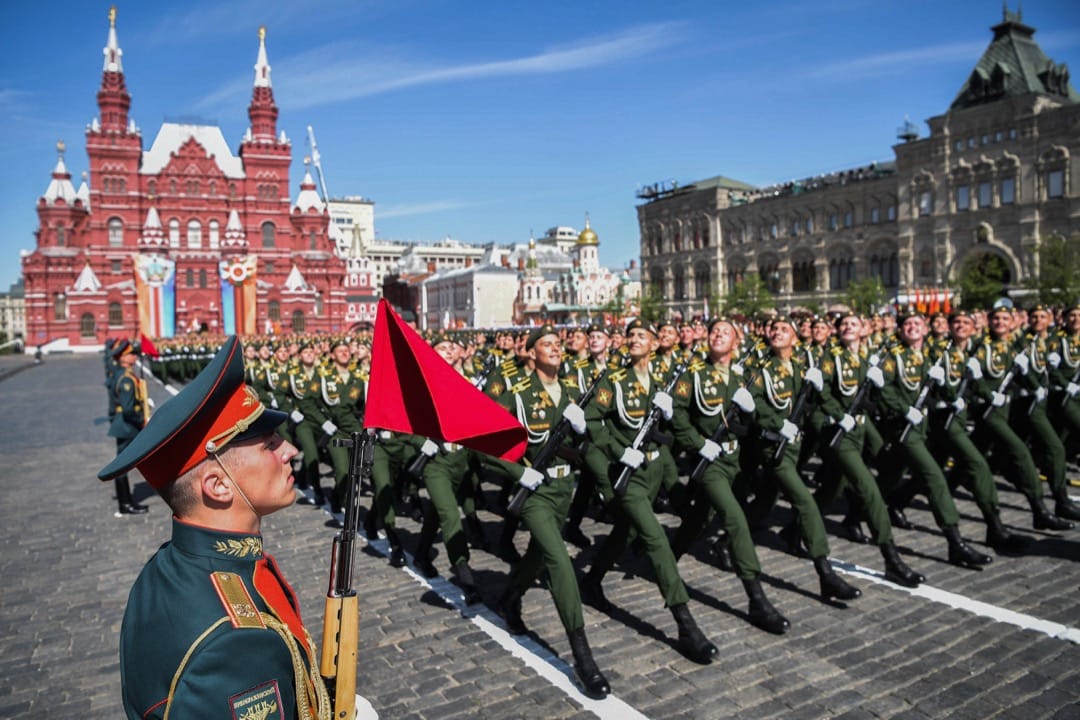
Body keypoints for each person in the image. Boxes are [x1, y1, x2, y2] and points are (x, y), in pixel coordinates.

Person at [99, 337, 332, 719]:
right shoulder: (235, 642)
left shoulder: (165, 568)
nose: (290, 451)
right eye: (269, 444)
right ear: (218, 486)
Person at [581, 319, 719, 665]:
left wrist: (670, 414)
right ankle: (685, 623)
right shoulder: (615, 381)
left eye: (641, 336)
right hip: (628, 473)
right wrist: (615, 449)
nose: (633, 340)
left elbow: (675, 423)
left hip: (655, 469)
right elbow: (590, 419)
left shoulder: (661, 381)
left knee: (625, 532)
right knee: (656, 539)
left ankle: (593, 578)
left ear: (656, 344)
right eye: (630, 335)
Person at [487, 324, 611, 698]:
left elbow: (598, 441)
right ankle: (583, 656)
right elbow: (487, 443)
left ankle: (511, 595)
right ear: (530, 353)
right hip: (535, 491)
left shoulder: (575, 392)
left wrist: (586, 426)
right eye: (546, 344)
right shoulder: (519, 395)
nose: (556, 347)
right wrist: (517, 471)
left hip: (563, 489)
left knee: (539, 554)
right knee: (559, 560)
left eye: (558, 343)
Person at [105, 339, 149, 515]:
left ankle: (127, 501)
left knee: (124, 464)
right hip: (127, 426)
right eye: (131, 354)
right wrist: (141, 420)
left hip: (125, 425)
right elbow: (129, 408)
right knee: (122, 466)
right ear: (123, 358)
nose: (134, 356)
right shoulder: (126, 380)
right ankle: (125, 504)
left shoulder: (127, 375)